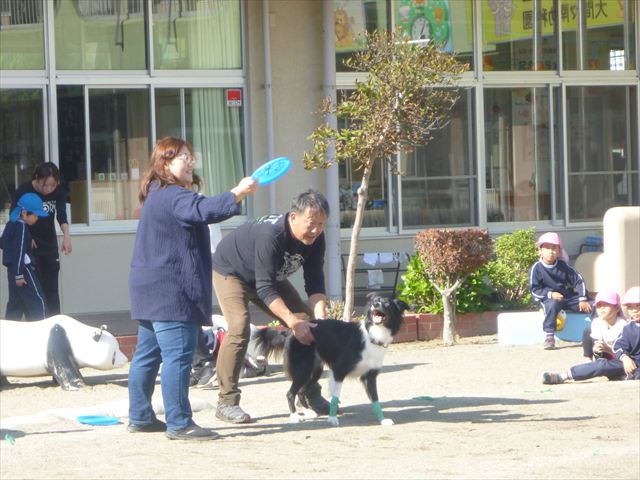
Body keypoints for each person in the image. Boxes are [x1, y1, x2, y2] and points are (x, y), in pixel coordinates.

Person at [127, 137, 258, 441]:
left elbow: (201, 209)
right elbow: (205, 209)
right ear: (165, 163)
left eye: (190, 156)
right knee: (178, 357)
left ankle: (141, 417)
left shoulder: (156, 195)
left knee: (147, 356)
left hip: (148, 289)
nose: (190, 161)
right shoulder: (174, 196)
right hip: (171, 291)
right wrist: (238, 192)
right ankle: (180, 423)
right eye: (183, 157)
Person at [212, 189, 330, 424]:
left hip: (266, 277)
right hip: (232, 272)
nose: (316, 230)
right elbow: (265, 289)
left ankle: (309, 391)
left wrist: (321, 321)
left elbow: (315, 282)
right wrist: (292, 323)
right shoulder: (271, 235)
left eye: (321, 224)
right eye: (311, 223)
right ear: (294, 217)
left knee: (310, 324)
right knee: (239, 326)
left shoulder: (316, 239)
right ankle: (226, 402)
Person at [542, 286, 640, 385]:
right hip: (627, 363)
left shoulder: (622, 324)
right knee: (602, 365)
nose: (634, 310)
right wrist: (624, 357)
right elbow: (619, 346)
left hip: (636, 367)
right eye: (630, 307)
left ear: (617, 308)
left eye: (638, 306)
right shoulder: (628, 328)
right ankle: (564, 376)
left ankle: (625, 376)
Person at [12, 163, 72, 316]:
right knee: (34, 291)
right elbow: (15, 218)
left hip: (49, 247)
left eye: (53, 185)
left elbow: (61, 215)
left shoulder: (58, 191)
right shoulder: (24, 191)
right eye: (45, 185)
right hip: (30, 249)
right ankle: (36, 324)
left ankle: (54, 324)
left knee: (52, 289)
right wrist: (27, 237)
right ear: (37, 179)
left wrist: (66, 237)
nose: (49, 189)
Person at [529, 232, 592, 349]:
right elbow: (534, 290)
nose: (550, 251)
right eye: (547, 248)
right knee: (552, 304)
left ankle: (600, 332)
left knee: (593, 305)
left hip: (566, 297)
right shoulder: (536, 268)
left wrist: (582, 299)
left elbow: (578, 281)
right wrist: (550, 294)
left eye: (554, 248)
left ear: (559, 252)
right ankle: (549, 336)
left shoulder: (563, 266)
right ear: (540, 251)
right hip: (548, 299)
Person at [1, 193, 50, 320]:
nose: (37, 218)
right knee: (38, 301)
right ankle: (44, 328)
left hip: (12, 270)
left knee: (15, 305)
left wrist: (28, 239)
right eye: (35, 215)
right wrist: (19, 274)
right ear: (24, 213)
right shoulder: (21, 227)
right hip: (23, 270)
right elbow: (19, 252)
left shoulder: (11, 223)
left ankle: (8, 331)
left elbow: (3, 242)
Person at [581, 289, 627, 362]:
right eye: (599, 305)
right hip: (604, 355)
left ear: (617, 308)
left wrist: (608, 350)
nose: (602, 308)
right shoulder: (597, 322)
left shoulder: (623, 325)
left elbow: (625, 350)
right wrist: (596, 348)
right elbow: (597, 341)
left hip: (619, 357)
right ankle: (588, 359)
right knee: (588, 331)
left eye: (606, 305)